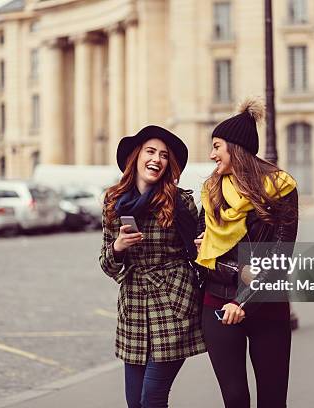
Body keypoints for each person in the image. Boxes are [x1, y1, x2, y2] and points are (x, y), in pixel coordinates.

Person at [194, 98, 298, 408]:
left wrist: (243, 300)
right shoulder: (212, 190)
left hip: (267, 306)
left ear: (235, 147)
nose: (212, 154)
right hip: (218, 302)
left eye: (217, 146)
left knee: (273, 400)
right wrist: (238, 269)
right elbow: (200, 251)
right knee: (235, 398)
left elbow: (281, 255)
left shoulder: (281, 188)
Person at [99, 125, 205, 408]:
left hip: (173, 303)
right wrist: (118, 247)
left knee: (153, 399)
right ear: (136, 157)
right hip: (133, 308)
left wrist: (203, 246)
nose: (156, 159)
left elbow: (197, 252)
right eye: (150, 151)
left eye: (164, 155)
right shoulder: (114, 202)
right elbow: (108, 266)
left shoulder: (179, 201)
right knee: (135, 402)